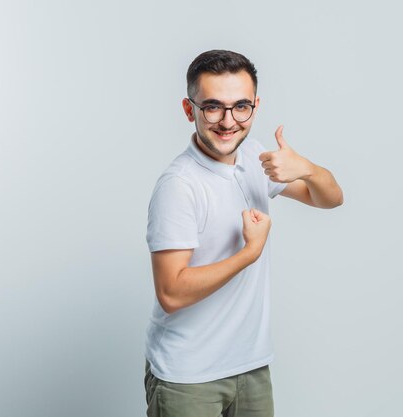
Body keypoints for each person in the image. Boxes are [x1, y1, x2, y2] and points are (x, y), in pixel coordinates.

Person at [144, 49, 343, 417]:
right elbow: (171, 292)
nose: (228, 121)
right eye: (213, 107)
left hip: (251, 365)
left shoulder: (252, 155)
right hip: (189, 376)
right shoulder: (179, 185)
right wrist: (248, 254)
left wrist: (308, 169)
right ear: (190, 110)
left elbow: (330, 199)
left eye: (241, 106)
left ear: (255, 105)